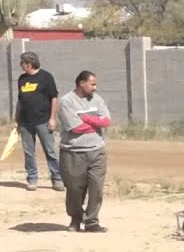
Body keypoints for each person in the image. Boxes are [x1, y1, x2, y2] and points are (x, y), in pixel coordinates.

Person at [56, 70, 111, 233]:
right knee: (74, 189)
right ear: (82, 84)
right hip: (73, 152)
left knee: (96, 188)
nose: (95, 87)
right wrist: (95, 122)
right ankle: (75, 219)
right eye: (92, 84)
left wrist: (87, 119)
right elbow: (76, 127)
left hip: (97, 151)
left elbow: (106, 121)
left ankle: (92, 221)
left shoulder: (97, 99)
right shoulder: (66, 101)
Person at [14, 52, 63, 192]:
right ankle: (32, 179)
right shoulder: (21, 79)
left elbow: (54, 98)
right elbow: (20, 101)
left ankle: (57, 179)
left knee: (50, 151)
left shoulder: (46, 77)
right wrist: (17, 119)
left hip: (43, 121)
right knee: (28, 152)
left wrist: (52, 118)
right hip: (25, 123)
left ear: (29, 64)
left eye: (22, 63)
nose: (20, 65)